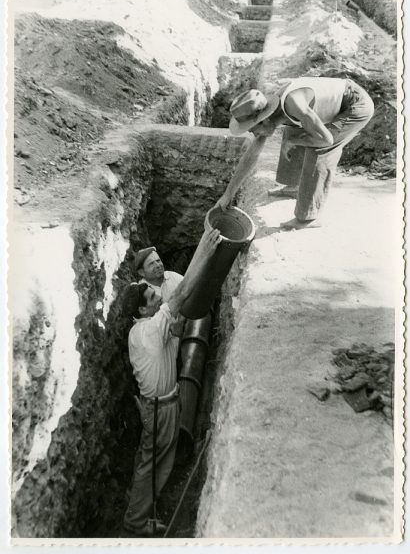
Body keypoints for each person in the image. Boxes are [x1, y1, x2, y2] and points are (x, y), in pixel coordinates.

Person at [122, 226, 221, 537]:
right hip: (160, 408)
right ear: (142, 309)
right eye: (152, 297)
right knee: (156, 463)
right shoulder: (151, 329)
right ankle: (137, 521)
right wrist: (204, 252)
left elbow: (175, 331)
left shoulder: (141, 328)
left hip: (155, 405)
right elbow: (178, 297)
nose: (157, 296)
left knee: (149, 459)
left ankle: (137, 505)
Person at [216, 77, 374, 229]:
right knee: (291, 133)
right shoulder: (272, 111)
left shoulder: (293, 104)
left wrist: (294, 141)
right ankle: (294, 186)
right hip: (342, 103)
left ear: (263, 120)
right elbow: (252, 155)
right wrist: (228, 194)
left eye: (252, 128)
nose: (253, 133)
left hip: (355, 106)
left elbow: (327, 140)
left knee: (318, 148)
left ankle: (309, 217)